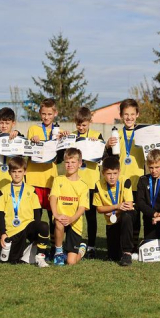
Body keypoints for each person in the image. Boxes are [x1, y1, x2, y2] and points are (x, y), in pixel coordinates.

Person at [106, 99, 145, 249]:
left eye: (132, 114)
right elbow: (110, 159)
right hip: (121, 182)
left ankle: (134, 245)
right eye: (126, 114)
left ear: (137, 115)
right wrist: (108, 146)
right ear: (121, 116)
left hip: (138, 181)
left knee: (135, 216)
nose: (129, 117)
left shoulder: (142, 134)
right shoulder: (117, 134)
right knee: (119, 213)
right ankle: (119, 244)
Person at [25, 98, 67, 241]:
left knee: (53, 216)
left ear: (55, 113)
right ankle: (33, 245)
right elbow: (28, 152)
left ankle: (55, 247)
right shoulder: (33, 129)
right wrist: (33, 141)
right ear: (39, 113)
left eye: (49, 114)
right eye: (44, 114)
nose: (46, 117)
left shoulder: (59, 132)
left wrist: (64, 141)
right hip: (33, 178)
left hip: (50, 180)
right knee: (35, 215)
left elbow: (60, 158)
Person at [0, 156, 50, 267]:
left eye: (20, 171)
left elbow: (37, 212)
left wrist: (36, 233)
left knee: (44, 226)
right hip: (12, 230)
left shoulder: (31, 190)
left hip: (28, 225)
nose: (17, 174)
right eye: (14, 171)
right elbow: (0, 215)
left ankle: (40, 257)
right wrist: (2, 233)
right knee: (12, 261)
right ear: (9, 173)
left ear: (25, 172)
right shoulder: (3, 191)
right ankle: (26, 253)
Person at [71, 106, 105, 259]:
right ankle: (73, 244)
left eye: (84, 124)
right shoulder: (72, 136)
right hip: (75, 183)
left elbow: (104, 155)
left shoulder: (97, 135)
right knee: (74, 215)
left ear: (90, 122)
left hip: (91, 183)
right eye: (79, 124)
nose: (81, 127)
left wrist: (97, 144)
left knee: (91, 217)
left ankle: (91, 246)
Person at [93, 156, 135, 266]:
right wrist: (116, 206)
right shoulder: (98, 185)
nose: (112, 177)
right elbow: (99, 208)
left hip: (124, 219)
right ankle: (118, 252)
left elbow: (129, 205)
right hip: (111, 222)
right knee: (113, 256)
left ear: (119, 171)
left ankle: (127, 252)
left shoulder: (125, 181)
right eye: (109, 174)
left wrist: (114, 211)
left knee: (127, 215)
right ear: (103, 173)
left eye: (115, 173)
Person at [50, 148, 89, 266]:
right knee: (58, 223)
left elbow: (82, 207)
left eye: (73, 162)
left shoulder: (83, 185)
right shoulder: (58, 180)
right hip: (61, 218)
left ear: (80, 163)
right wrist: (56, 214)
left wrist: (71, 219)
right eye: (67, 162)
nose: (70, 165)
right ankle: (58, 252)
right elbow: (53, 197)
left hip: (74, 222)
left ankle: (81, 250)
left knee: (71, 262)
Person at [0, 107, 22, 206]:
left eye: (7, 123)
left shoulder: (18, 138)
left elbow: (23, 155)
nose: (4, 126)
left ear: (13, 123)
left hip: (16, 183)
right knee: (1, 216)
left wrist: (18, 135)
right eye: (1, 123)